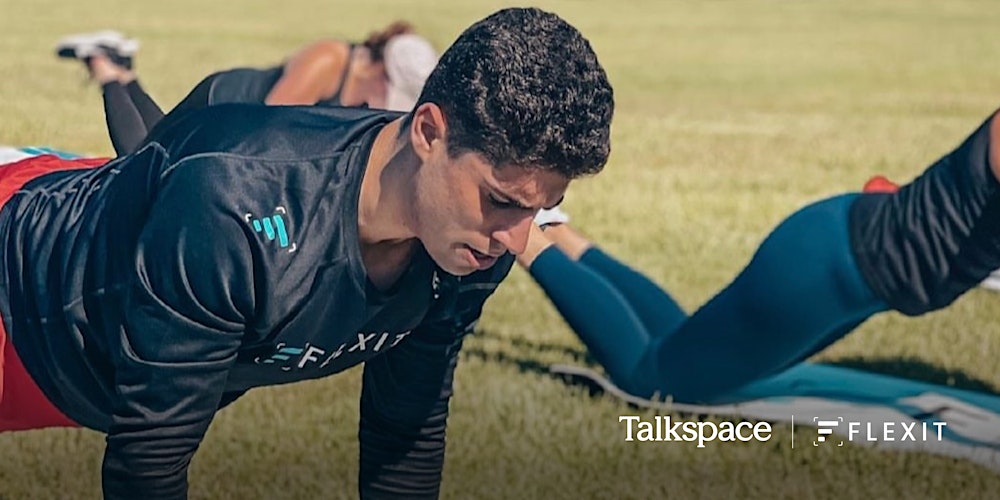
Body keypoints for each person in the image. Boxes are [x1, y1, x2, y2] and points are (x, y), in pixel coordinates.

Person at [0, 7, 614, 498]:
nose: (515, 238)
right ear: (428, 132)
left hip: (108, 292)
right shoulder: (235, 204)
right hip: (20, 295)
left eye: (537, 208)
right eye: (500, 200)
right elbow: (147, 464)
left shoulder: (468, 245)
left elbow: (404, 432)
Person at [517, 107, 1000, 405]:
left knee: (676, 339)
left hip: (843, 260)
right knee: (655, 380)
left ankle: (558, 232)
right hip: (832, 267)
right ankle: (517, 229)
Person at [56, 21, 438, 156]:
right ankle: (103, 66)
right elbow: (272, 126)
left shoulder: (365, 93)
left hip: (240, 128)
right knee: (144, 159)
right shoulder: (329, 59)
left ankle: (123, 70)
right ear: (380, 70)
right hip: (225, 101)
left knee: (160, 143)